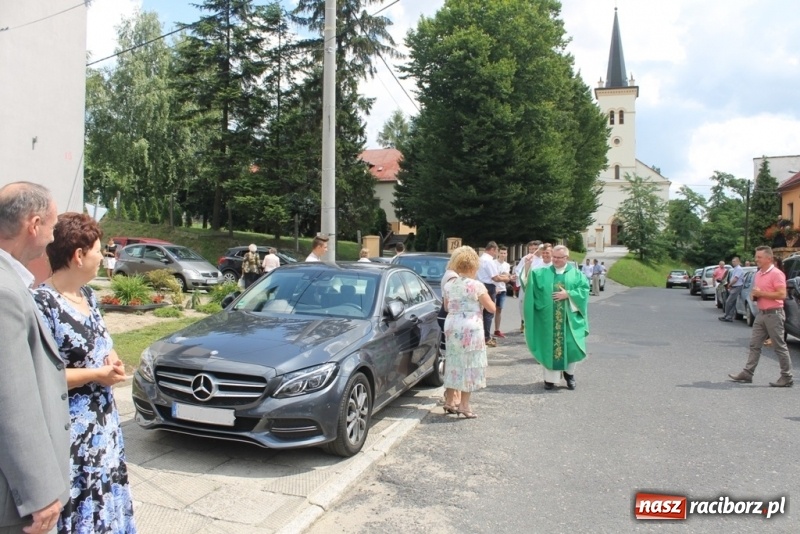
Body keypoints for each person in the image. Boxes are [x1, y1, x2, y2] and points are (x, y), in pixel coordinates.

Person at [33, 212, 136, 533]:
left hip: (103, 425)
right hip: (73, 433)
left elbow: (104, 344)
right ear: (78, 255)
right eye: (98, 251)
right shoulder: (42, 303)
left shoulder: (88, 296)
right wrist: (95, 375)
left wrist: (114, 363)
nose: (102, 258)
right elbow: (42, 374)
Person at [0, 182, 70, 534]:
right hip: (16, 501)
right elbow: (12, 400)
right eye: (53, 227)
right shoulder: (5, 293)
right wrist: (39, 492)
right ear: (34, 224)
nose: (53, 237)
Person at [523, 245, 590, 390]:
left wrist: (569, 294)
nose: (556, 260)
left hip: (569, 319)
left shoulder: (576, 274)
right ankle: (550, 379)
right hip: (548, 320)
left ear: (566, 258)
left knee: (571, 346)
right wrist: (527, 265)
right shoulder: (542, 273)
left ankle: (569, 375)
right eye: (554, 257)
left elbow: (584, 290)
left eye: (559, 258)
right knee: (549, 346)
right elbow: (529, 283)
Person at [442, 246, 496, 418]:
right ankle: (464, 405)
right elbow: (491, 308)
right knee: (469, 364)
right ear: (473, 266)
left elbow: (446, 306)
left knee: (453, 361)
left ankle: (450, 401)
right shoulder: (476, 285)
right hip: (470, 327)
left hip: (452, 325)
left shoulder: (450, 285)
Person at [728, 246, 794, 387]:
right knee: (754, 344)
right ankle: (747, 373)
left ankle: (787, 377)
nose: (756, 259)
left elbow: (782, 295)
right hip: (761, 314)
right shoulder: (758, 274)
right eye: (756, 256)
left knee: (779, 347)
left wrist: (761, 293)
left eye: (759, 257)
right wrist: (754, 295)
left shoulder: (777, 274)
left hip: (774, 314)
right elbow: (756, 293)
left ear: (769, 259)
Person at [476, 241, 508, 347]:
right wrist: (507, 279)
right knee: (489, 312)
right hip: (488, 287)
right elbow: (495, 277)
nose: (496, 254)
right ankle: (486, 337)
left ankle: (483, 335)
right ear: (493, 249)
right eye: (496, 251)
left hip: (481, 285)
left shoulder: (480, 259)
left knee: (481, 312)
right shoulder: (489, 261)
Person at [515, 241, 543, 332]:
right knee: (523, 304)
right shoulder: (526, 258)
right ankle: (524, 321)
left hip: (540, 287)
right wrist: (523, 279)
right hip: (527, 286)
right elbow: (518, 270)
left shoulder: (545, 259)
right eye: (531, 249)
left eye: (535, 249)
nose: (533, 251)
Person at [494, 246, 513, 338]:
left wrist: (503, 277)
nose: (502, 255)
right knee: (489, 311)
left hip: (502, 290)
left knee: (499, 310)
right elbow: (494, 277)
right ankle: (485, 331)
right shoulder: (493, 263)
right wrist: (503, 277)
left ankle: (497, 330)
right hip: (493, 289)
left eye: (504, 253)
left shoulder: (507, 265)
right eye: (501, 253)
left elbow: (506, 278)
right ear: (498, 253)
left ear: (507, 254)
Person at [719, 257, 743, 322]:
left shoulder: (739, 269)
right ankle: (728, 316)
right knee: (732, 303)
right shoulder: (734, 269)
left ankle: (727, 316)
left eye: (734, 261)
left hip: (737, 286)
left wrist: (730, 284)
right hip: (734, 287)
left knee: (728, 302)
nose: (733, 263)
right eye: (732, 261)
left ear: (738, 262)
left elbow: (736, 279)